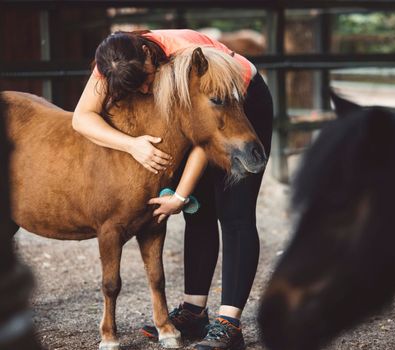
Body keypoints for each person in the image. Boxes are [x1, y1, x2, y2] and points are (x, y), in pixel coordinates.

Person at [72, 29, 273, 350]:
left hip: (238, 103)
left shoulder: (187, 57)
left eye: (146, 79)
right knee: (200, 212)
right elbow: (81, 118)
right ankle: (194, 311)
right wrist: (132, 145)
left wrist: (179, 195)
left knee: (234, 213)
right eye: (135, 86)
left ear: (149, 55)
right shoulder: (114, 59)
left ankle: (229, 324)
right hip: (200, 114)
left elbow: (202, 138)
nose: (145, 88)